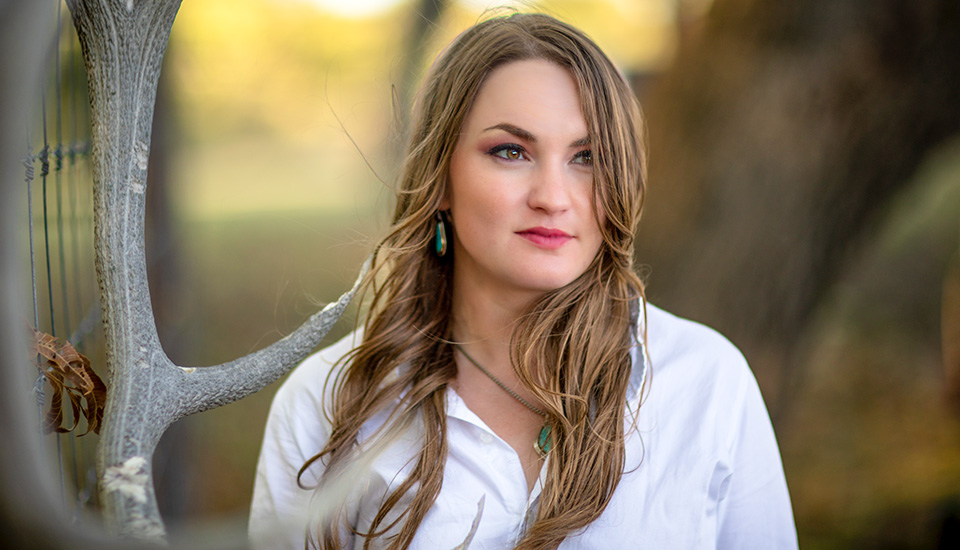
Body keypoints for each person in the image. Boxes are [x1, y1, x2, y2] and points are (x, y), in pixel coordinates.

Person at [249, 12, 797, 550]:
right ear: (439, 179)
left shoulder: (704, 382)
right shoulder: (328, 403)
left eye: (587, 157)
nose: (553, 197)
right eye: (510, 152)